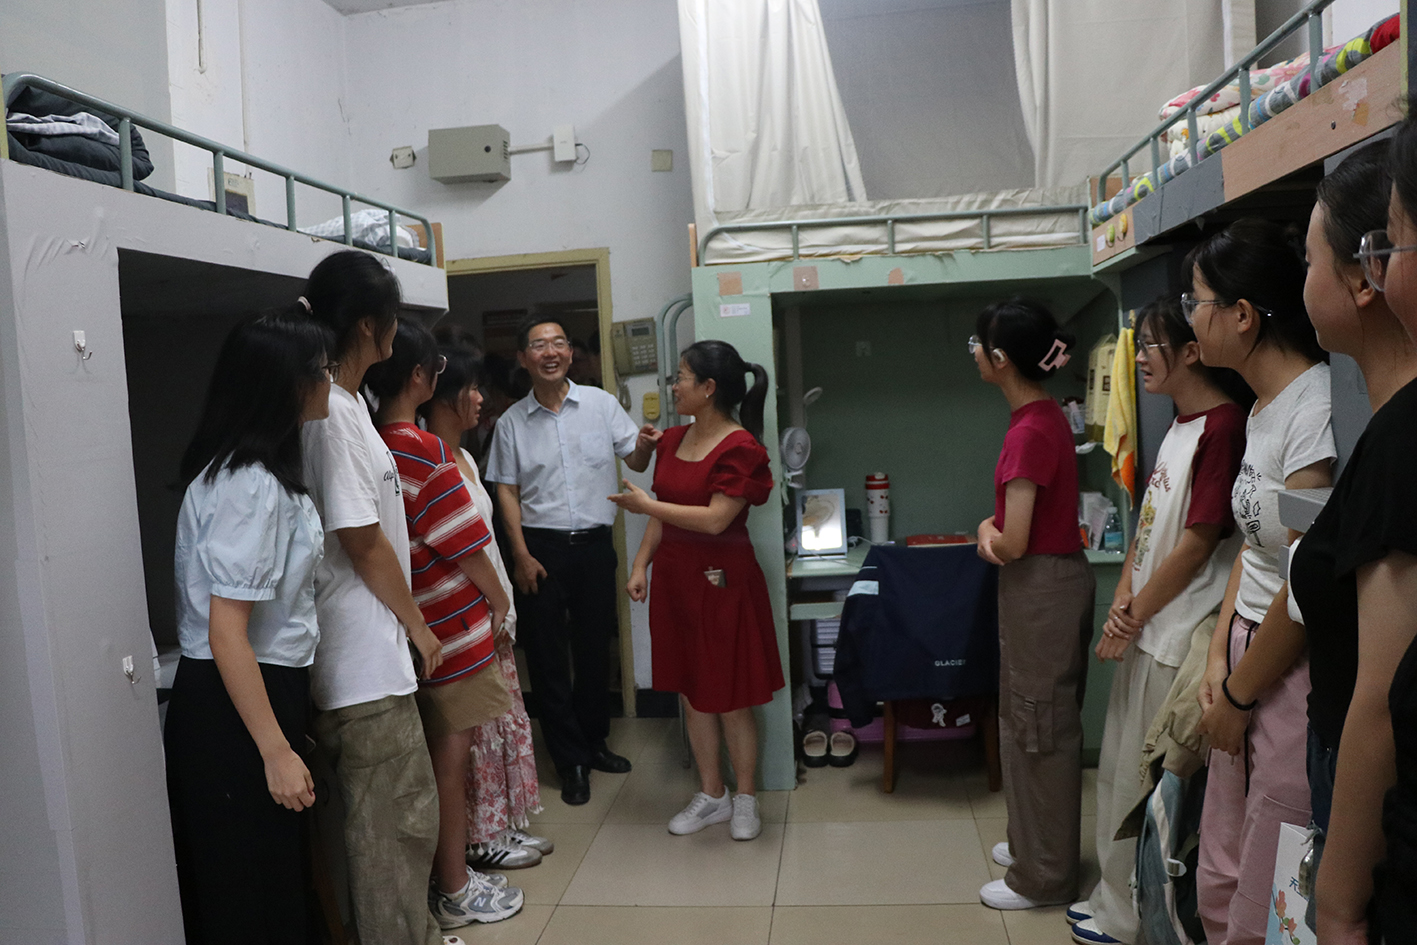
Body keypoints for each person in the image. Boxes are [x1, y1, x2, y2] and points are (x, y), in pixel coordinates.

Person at [1069, 298, 1247, 945]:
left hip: (1176, 634)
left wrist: (1131, 616)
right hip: (1147, 626)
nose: (1139, 358)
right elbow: (1146, 532)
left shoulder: (1223, 427)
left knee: (1140, 788)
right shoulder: (1176, 425)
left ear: (1191, 351)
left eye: (1149, 345)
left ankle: (1131, 920)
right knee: (1115, 771)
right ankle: (1112, 902)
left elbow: (1197, 544)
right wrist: (1123, 603)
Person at [1184, 220, 1334, 945]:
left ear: (1241, 315)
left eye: (1197, 301)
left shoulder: (1313, 410)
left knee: (1269, 881)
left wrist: (1242, 693)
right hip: (1243, 654)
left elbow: (1302, 586)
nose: (1189, 317)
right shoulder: (1260, 406)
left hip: (1284, 669)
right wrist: (1217, 658)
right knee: (1219, 864)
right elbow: (1253, 545)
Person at [164, 310, 333, 944]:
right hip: (232, 702)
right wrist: (275, 750)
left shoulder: (257, 474)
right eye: (321, 370)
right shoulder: (249, 485)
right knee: (246, 893)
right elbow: (226, 633)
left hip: (256, 691)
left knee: (269, 880)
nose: (329, 380)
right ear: (286, 384)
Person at [298, 251, 446, 945]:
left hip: (372, 653)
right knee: (390, 832)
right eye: (393, 315)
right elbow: (360, 539)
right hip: (359, 662)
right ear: (368, 324)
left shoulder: (351, 401)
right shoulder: (328, 410)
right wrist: (418, 625)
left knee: (403, 824)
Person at [366, 320, 524, 928]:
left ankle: (454, 876)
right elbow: (463, 541)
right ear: (419, 377)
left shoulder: (375, 441)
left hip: (418, 623)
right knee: (450, 766)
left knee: (442, 761)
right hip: (454, 627)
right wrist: (500, 601)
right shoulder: (423, 448)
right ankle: (455, 889)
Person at [1303, 127, 1417, 944]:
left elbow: (1381, 697)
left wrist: (1338, 902)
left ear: (1365, 270)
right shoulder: (1385, 426)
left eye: (1309, 258)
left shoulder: (1401, 438)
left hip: (1377, 830)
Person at [612, 341, 783, 841]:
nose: (674, 386)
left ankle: (745, 797)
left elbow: (713, 520)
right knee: (693, 693)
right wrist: (640, 565)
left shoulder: (742, 449)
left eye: (682, 377)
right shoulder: (670, 440)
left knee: (730, 696)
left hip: (723, 582)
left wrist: (647, 506)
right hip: (676, 581)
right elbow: (665, 512)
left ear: (708, 388)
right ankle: (713, 794)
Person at [485, 315, 659, 805]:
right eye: (539, 345)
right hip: (540, 549)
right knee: (546, 656)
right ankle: (569, 760)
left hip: (595, 547)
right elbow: (506, 491)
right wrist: (520, 554)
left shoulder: (602, 405)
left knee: (593, 649)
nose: (551, 352)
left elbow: (635, 461)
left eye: (559, 342)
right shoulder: (512, 423)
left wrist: (644, 446)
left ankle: (595, 742)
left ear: (569, 353)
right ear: (523, 358)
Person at [970, 298, 1096, 911]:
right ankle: (1031, 842)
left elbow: (1013, 541)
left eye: (977, 345)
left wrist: (984, 533)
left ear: (1000, 359)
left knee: (1038, 726)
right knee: (1029, 718)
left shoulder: (1029, 431)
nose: (973, 354)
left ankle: (1044, 876)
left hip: (1041, 585)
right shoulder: (1043, 416)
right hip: (1046, 584)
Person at [421, 341, 552, 869]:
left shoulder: (466, 456)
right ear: (444, 395)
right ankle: (476, 840)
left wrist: (504, 606)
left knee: (497, 726)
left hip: (491, 612)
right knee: (470, 738)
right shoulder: (429, 459)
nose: (481, 398)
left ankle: (498, 824)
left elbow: (485, 544)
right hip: (462, 616)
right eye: (472, 389)